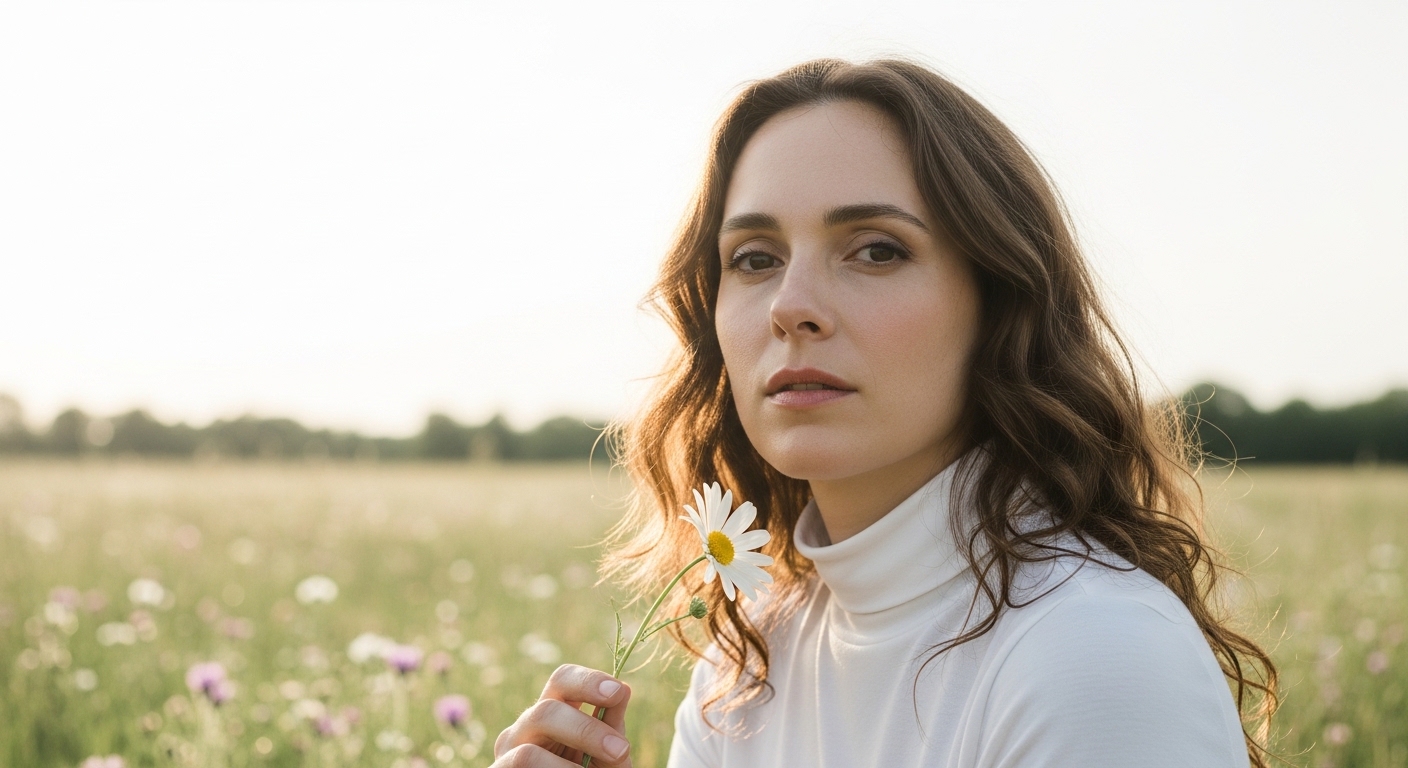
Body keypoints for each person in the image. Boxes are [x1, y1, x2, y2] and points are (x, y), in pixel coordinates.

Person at [490, 58, 1277, 768]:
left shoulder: (1095, 653)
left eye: (876, 250)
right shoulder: (745, 671)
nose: (791, 307)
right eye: (755, 259)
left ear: (999, 302)